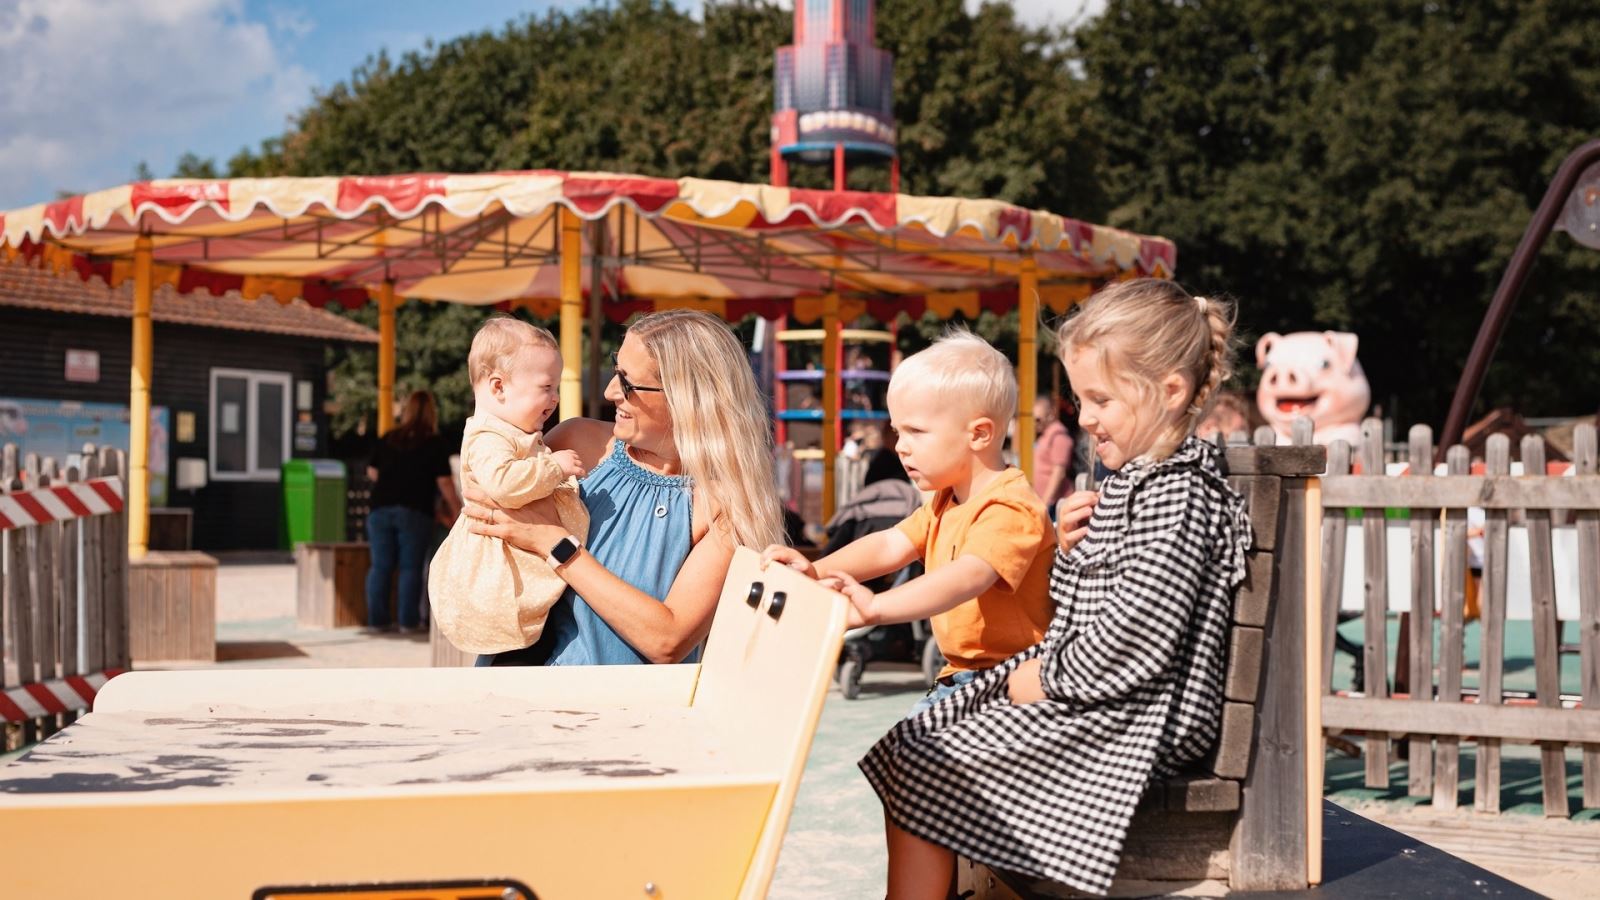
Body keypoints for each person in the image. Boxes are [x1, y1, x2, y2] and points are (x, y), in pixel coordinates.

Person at [856, 278, 1252, 898]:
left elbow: (1139, 638)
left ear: (1170, 392)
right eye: (1080, 398)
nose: (1084, 416)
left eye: (1099, 400)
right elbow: (1087, 604)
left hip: (1145, 715)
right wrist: (1071, 553)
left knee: (920, 760)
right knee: (912, 743)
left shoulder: (1175, 493)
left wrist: (1048, 676)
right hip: (1112, 695)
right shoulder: (1136, 480)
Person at [464, 309, 784, 666]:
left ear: (687, 397)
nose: (610, 391)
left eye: (628, 382)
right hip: (517, 693)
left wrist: (556, 545)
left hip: (624, 713)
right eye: (616, 371)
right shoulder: (577, 443)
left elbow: (668, 640)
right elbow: (484, 521)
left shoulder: (727, 506)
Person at [762, 330, 1056, 716]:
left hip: (1011, 683)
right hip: (963, 676)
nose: (900, 445)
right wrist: (814, 570)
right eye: (899, 431)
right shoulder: (945, 502)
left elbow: (968, 577)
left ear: (979, 434)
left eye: (916, 431)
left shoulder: (1010, 507)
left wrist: (877, 608)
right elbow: (889, 544)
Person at [428, 317, 589, 655]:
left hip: (524, 552)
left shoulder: (515, 432)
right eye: (546, 387)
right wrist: (553, 467)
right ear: (499, 387)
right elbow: (503, 484)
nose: (556, 397)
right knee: (511, 622)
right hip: (497, 570)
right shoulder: (489, 436)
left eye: (556, 387)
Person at [365, 390, 460, 633]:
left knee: (380, 566)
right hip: (414, 510)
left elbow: (372, 472)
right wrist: (457, 510)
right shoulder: (434, 443)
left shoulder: (389, 437)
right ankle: (408, 622)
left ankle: (378, 621)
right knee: (411, 568)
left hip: (380, 509)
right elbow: (445, 483)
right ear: (432, 413)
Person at [1031, 393, 1074, 509]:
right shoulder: (1045, 435)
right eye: (1032, 419)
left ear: (1050, 415)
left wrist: (1045, 502)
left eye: (1038, 419)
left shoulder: (1059, 437)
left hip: (1054, 504)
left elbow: (1058, 473)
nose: (1034, 424)